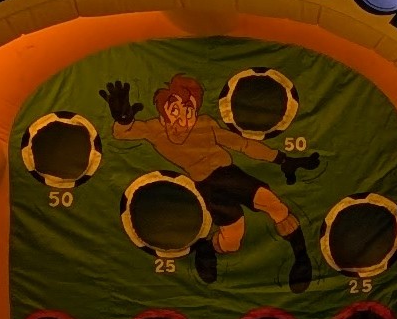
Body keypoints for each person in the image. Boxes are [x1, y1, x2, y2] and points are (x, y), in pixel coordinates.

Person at [98, 72, 311, 283]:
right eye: (175, 109)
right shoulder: (155, 129)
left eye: (189, 109)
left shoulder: (206, 124)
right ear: (164, 112)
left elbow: (242, 145)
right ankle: (207, 248)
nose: (183, 117)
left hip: (230, 175)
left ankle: (302, 260)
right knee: (232, 243)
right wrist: (123, 118)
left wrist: (281, 159)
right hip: (208, 186)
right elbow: (123, 132)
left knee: (272, 203)